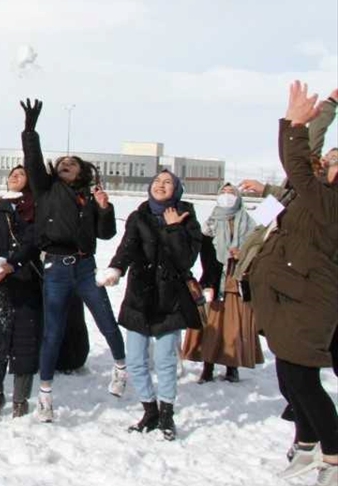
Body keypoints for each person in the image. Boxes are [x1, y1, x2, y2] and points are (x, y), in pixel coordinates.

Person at [249, 82, 338, 486]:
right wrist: (243, 253)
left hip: (312, 296)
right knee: (289, 376)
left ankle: (332, 454)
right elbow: (264, 228)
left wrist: (310, 117)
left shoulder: (319, 196)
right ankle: (306, 442)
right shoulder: (293, 193)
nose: (331, 161)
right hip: (285, 290)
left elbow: (304, 155)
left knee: (303, 378)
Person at [20, 98, 126, 423]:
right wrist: (30, 130)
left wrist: (105, 208)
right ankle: (45, 396)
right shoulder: (46, 188)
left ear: (81, 171)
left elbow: (106, 234)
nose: (65, 163)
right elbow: (33, 160)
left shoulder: (89, 198)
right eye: (62, 161)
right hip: (55, 267)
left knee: (106, 320)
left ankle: (121, 370)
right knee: (53, 332)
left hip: (85, 268)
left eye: (72, 162)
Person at [101, 170, 202, 441]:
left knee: (165, 360)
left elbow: (186, 260)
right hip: (140, 296)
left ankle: (167, 414)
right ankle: (149, 410)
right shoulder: (138, 216)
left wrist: (173, 228)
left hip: (170, 298)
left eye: (168, 182)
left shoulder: (187, 218)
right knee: (135, 360)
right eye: (157, 181)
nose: (161, 185)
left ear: (177, 189)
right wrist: (116, 268)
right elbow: (127, 247)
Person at [0, 165, 42, 417]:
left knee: (25, 341)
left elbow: (34, 242)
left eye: (22, 174)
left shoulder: (37, 209)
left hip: (28, 280)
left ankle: (20, 400)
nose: (15, 176)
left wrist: (12, 264)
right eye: (12, 174)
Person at [182, 182, 263, 383]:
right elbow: (206, 254)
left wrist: (243, 253)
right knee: (211, 324)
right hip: (215, 278)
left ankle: (232, 366)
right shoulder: (210, 223)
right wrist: (208, 280)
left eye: (231, 193)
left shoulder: (249, 222)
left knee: (234, 324)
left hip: (238, 279)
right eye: (224, 192)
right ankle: (207, 366)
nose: (227, 196)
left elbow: (262, 241)